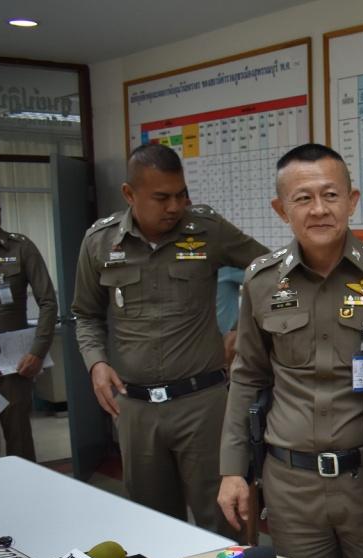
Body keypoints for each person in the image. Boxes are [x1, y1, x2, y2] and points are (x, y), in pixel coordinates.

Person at [218, 143, 363, 558]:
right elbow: (248, 376)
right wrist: (233, 470)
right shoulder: (262, 280)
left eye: (330, 195)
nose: (319, 209)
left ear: (352, 201)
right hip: (291, 485)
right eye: (303, 198)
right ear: (282, 209)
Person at [73, 144, 266, 532]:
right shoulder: (100, 242)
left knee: (225, 520)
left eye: (181, 195)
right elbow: (86, 315)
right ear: (129, 194)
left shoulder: (207, 230)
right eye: (162, 198)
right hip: (136, 409)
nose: (175, 206)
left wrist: (241, 331)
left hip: (202, 404)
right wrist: (96, 363)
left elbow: (269, 272)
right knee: (154, 526)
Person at [0, 185, 58, 461]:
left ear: (0, 212)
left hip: (13, 365)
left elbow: (48, 302)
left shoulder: (21, 247)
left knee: (19, 440)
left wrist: (38, 352)